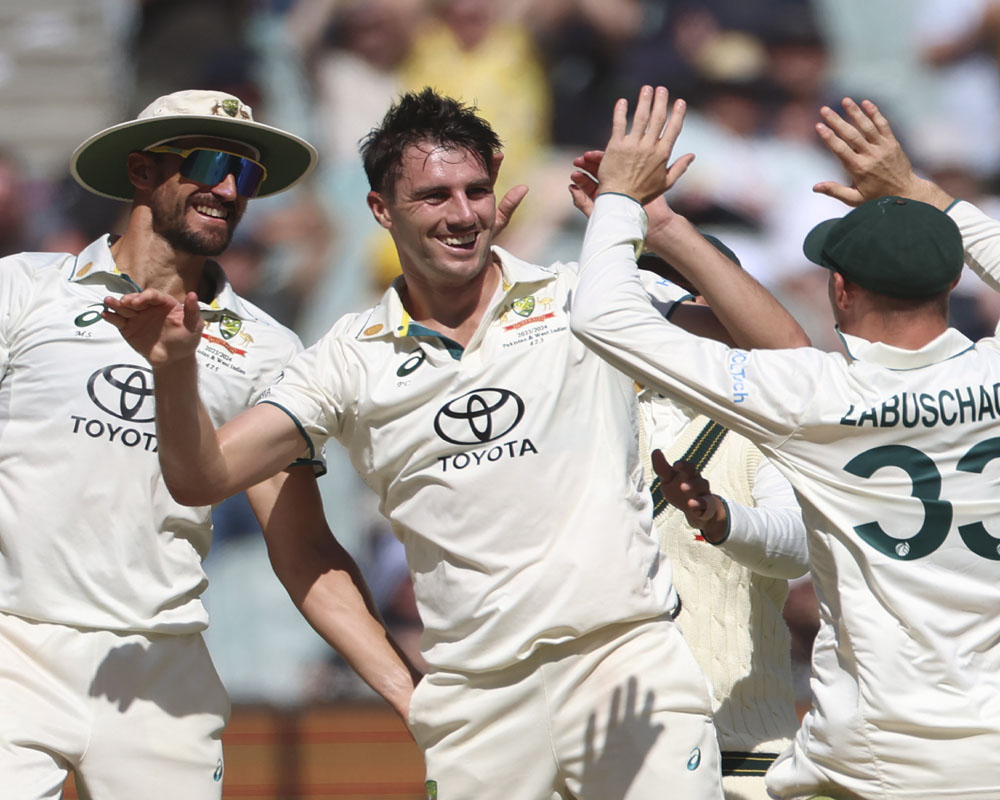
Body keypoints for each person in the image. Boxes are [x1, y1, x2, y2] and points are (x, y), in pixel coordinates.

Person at [102, 87, 809, 799]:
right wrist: (174, 367)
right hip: (476, 704)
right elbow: (201, 478)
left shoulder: (579, 298)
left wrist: (661, 226)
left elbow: (786, 352)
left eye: (476, 190)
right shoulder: (347, 358)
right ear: (381, 210)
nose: (464, 214)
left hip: (625, 663)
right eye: (434, 196)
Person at [570, 85, 1000, 800]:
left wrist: (625, 203)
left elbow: (606, 318)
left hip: (873, 764)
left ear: (838, 291)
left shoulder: (815, 398)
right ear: (954, 278)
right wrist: (926, 195)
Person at [0, 89, 419, 800]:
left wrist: (412, 699)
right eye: (213, 162)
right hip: (13, 646)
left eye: (247, 175)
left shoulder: (267, 349)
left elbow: (303, 548)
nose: (229, 190)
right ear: (140, 171)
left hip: (164, 670)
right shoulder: (22, 290)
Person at [633, 251, 808, 800]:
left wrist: (722, 517)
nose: (675, 313)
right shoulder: (589, 412)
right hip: (618, 744)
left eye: (691, 294)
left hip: (744, 749)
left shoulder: (766, 420)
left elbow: (797, 547)